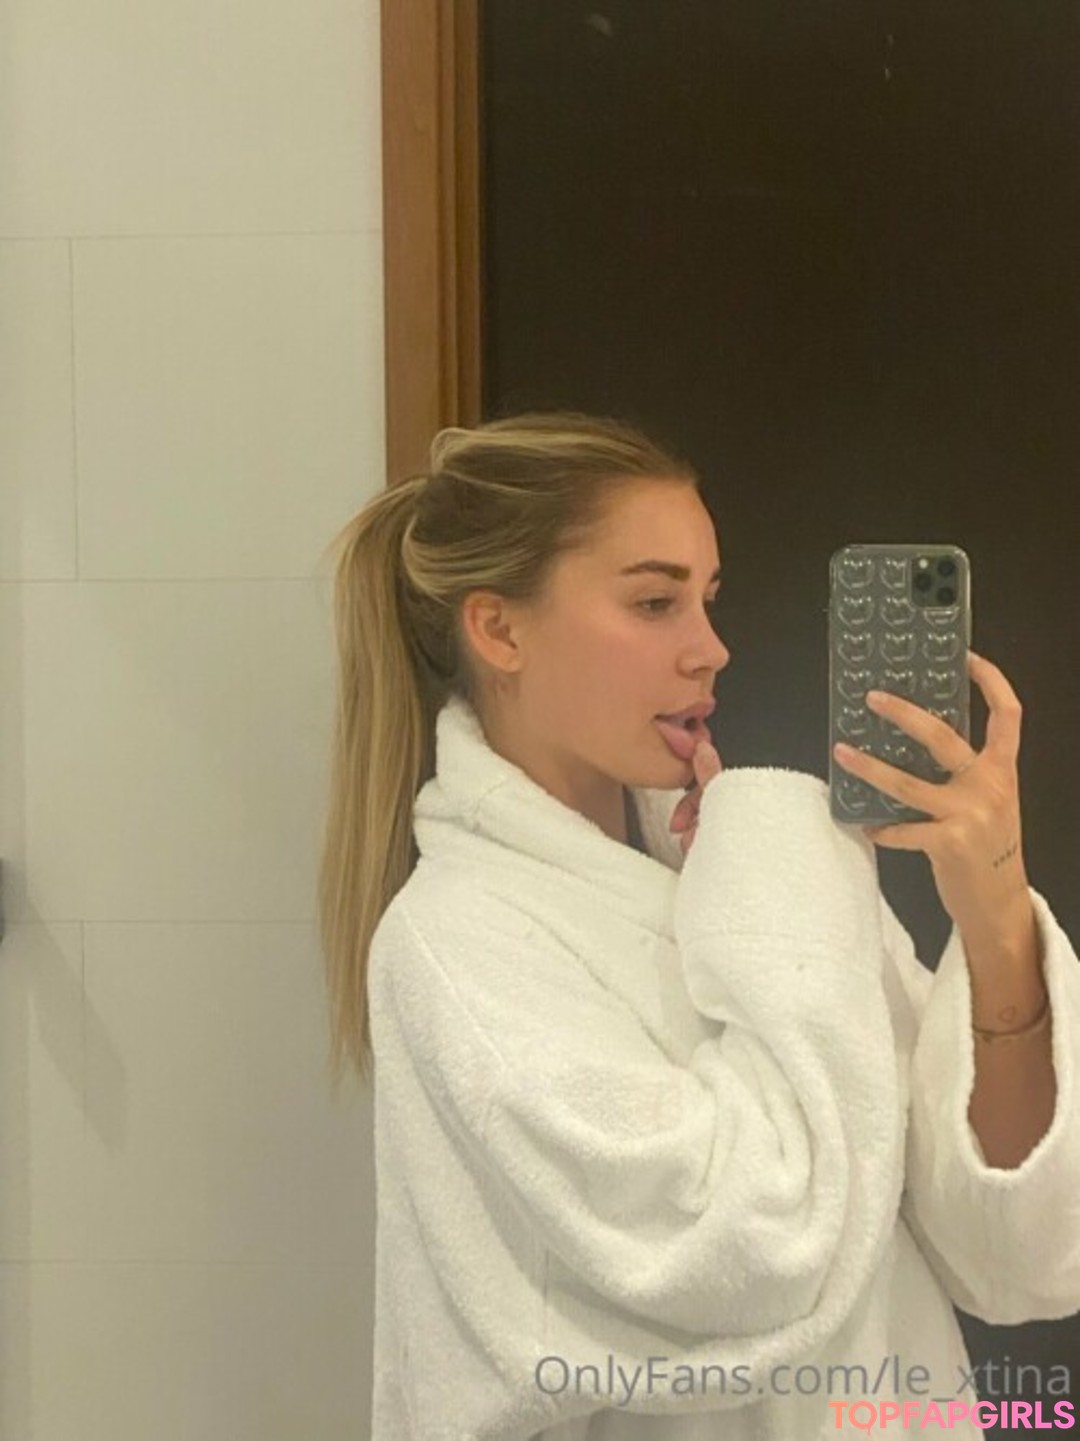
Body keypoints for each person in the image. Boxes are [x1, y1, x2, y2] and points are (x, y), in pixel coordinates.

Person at [316, 411, 1080, 1439]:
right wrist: (782, 859)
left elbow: (1010, 1247)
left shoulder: (735, 878)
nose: (710, 649)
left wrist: (994, 915)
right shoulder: (457, 942)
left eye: (708, 600)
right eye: (654, 602)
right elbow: (761, 1244)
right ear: (499, 630)